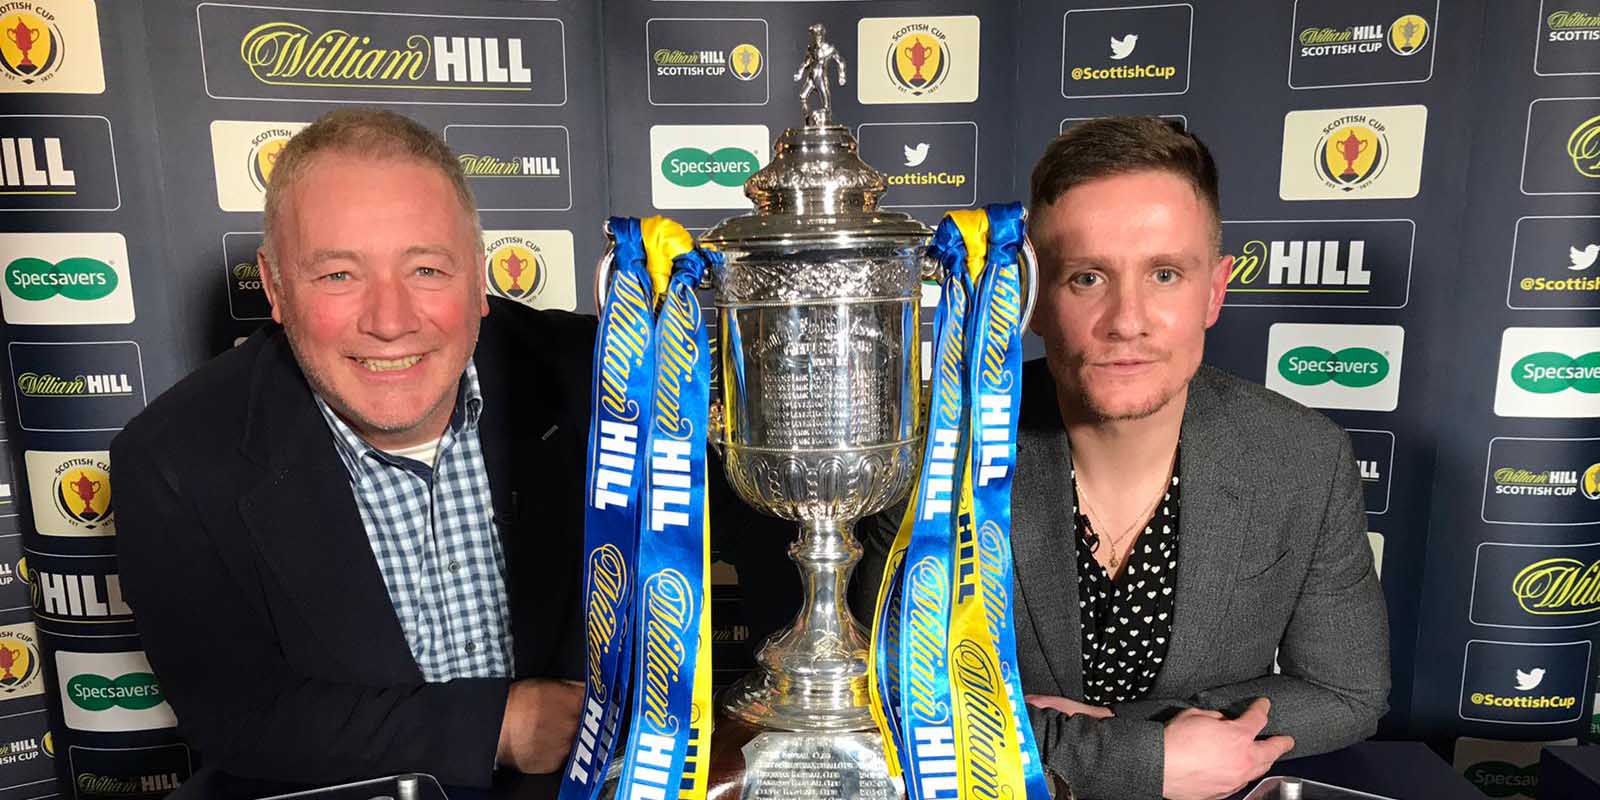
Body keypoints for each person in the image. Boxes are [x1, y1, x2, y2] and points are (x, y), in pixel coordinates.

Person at [112, 109, 593, 791]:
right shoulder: (172, 460)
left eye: (426, 268)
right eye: (339, 275)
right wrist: (501, 727)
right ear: (276, 288)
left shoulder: (608, 377)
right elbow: (239, 718)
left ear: (478, 277)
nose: (390, 321)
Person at [1012, 117, 1390, 800]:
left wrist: (1118, 735)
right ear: (1034, 295)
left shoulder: (1301, 457)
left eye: (1165, 274)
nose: (1127, 320)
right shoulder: (943, 448)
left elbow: (1347, 693)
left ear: (1214, 290)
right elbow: (882, 698)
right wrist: (1141, 758)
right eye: (1087, 277)